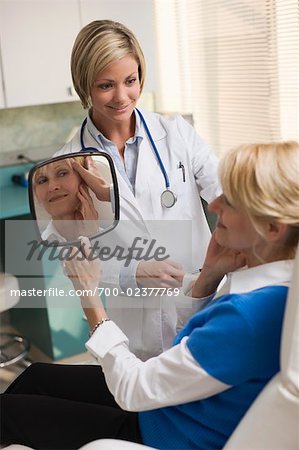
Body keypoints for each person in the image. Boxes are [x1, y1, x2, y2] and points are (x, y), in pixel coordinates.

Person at [2, 141, 298, 450]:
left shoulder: (248, 314)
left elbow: (133, 390)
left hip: (163, 432)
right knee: (35, 376)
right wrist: (208, 276)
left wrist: (88, 296)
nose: (213, 205)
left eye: (232, 201)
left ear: (273, 228)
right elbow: (186, 348)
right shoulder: (269, 289)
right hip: (174, 406)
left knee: (7, 413)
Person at [54, 19, 221, 359]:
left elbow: (226, 196)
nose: (122, 97)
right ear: (84, 85)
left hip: (196, 303)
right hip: (132, 326)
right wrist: (132, 273)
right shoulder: (65, 165)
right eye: (105, 85)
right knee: (137, 403)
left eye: (131, 81)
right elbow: (71, 256)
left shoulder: (177, 135)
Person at [33, 155, 110, 242]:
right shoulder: (38, 246)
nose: (52, 187)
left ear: (85, 180)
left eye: (62, 174)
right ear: (36, 194)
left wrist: (93, 236)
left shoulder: (115, 241)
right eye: (42, 180)